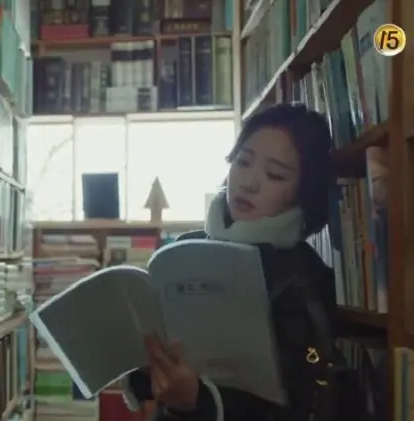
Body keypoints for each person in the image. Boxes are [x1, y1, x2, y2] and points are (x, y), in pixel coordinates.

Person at [122, 103, 340, 421]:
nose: (249, 182)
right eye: (243, 161)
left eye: (274, 174)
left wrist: (200, 400)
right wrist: (145, 367)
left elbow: (304, 401)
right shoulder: (184, 249)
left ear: (302, 194)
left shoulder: (304, 277)